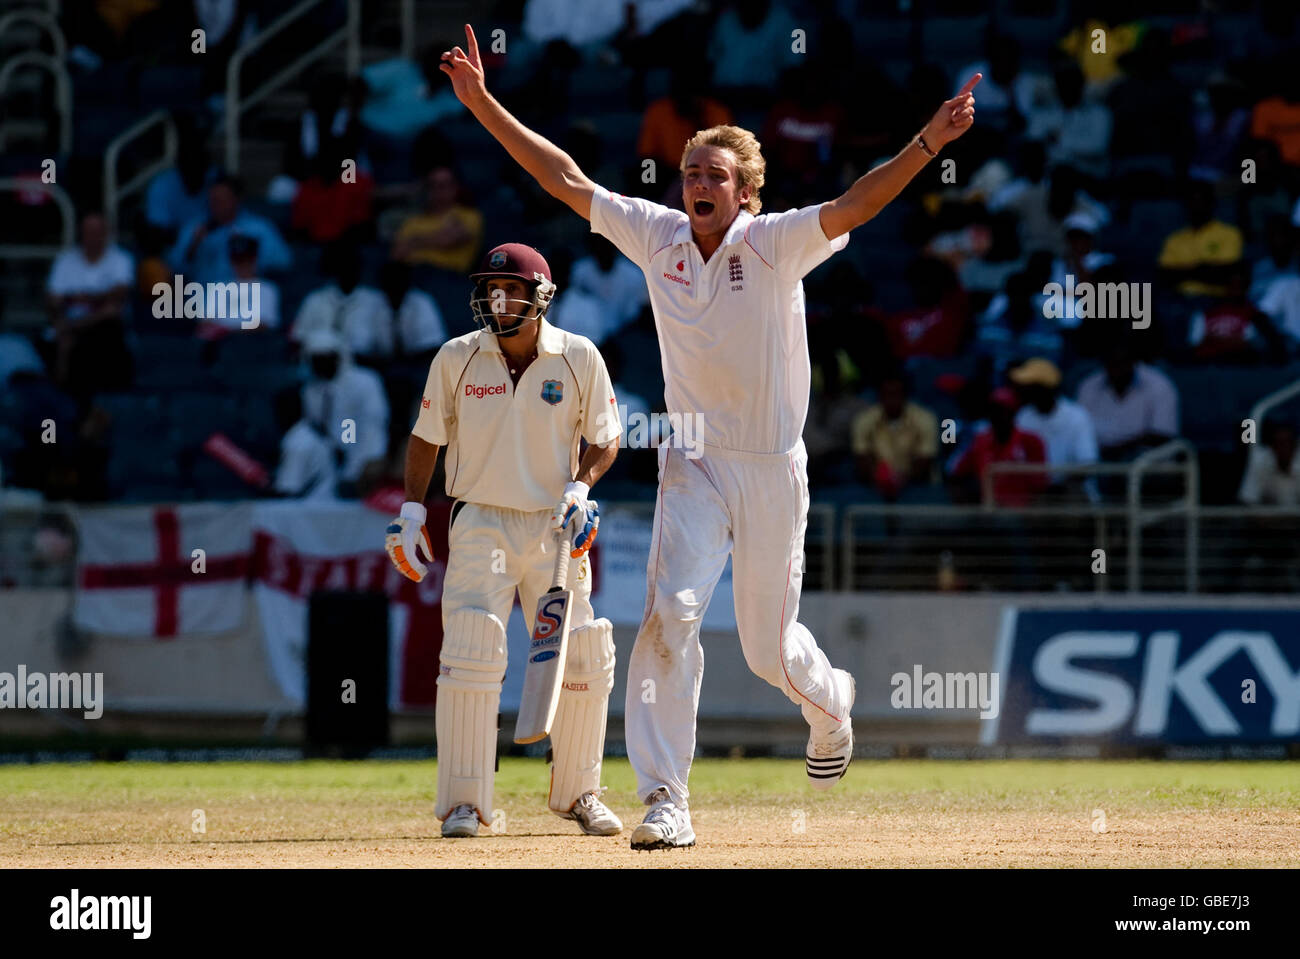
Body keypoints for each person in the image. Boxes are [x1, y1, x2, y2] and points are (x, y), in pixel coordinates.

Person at [438, 23, 979, 848]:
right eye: (690, 171)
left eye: (715, 175)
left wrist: (926, 143)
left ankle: (831, 704)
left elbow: (856, 203)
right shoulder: (656, 236)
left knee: (769, 650)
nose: (697, 183)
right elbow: (565, 178)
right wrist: (483, 104)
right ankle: (667, 799)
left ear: (745, 192)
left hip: (770, 465)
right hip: (690, 457)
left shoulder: (773, 243)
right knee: (670, 616)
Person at [385, 242, 623, 838]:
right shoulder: (456, 357)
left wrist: (580, 486)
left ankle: (580, 793)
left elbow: (605, 437)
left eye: (510, 288)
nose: (498, 298)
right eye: (491, 288)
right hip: (480, 519)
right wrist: (413, 509)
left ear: (540, 296)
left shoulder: (578, 356)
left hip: (553, 522)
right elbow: (426, 436)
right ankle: (467, 803)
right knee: (470, 650)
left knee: (583, 654)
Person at [45, 211, 134, 400]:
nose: (92, 237)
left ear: (106, 233)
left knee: (109, 321)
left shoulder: (120, 259)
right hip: (68, 325)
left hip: (102, 330)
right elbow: (53, 299)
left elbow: (118, 297)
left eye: (97, 231)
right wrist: (96, 298)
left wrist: (77, 298)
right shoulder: (65, 260)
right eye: (88, 231)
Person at [300, 329, 389, 494]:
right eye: (316, 359)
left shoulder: (365, 382)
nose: (321, 364)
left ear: (338, 357)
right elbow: (317, 429)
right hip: (331, 460)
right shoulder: (311, 391)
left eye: (325, 358)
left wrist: (355, 469)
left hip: (365, 458)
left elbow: (373, 427)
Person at [170, 175, 291, 284]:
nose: (216, 206)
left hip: (243, 297)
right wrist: (193, 246)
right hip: (202, 298)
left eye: (222, 200)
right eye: (213, 200)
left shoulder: (258, 228)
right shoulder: (194, 228)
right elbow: (174, 268)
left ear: (237, 199)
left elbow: (282, 262)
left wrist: (246, 251)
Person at [1009, 358, 1098, 496]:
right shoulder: (1023, 416)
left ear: (1043, 388)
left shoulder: (1077, 416)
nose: (1023, 389)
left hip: (1070, 491)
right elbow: (1017, 460)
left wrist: (1056, 488)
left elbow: (1086, 464)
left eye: (1029, 386)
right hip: (1033, 492)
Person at [1076, 340, 1179, 460]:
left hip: (1148, 465)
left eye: (1122, 362)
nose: (1117, 370)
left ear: (1134, 361)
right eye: (1112, 362)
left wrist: (1117, 450)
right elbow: (1078, 431)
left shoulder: (1160, 385)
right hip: (1099, 462)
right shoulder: (1088, 386)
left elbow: (1163, 435)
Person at [291, 241, 393, 362]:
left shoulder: (376, 301)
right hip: (319, 365)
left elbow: (385, 347)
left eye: (353, 265)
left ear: (360, 268)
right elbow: (298, 338)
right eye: (344, 266)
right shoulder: (315, 299)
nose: (348, 271)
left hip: (363, 365)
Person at [947, 387, 1048, 506]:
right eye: (994, 411)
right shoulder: (980, 440)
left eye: (1003, 411)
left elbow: (1041, 484)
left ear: (1013, 413)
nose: (998, 416)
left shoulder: (1030, 441)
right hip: (988, 512)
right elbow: (956, 474)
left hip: (1023, 513)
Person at [850, 371, 938, 498]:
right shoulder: (863, 420)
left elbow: (925, 461)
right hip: (875, 485)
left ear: (905, 395)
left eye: (896, 394)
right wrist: (882, 478)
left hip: (915, 485)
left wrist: (899, 479)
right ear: (880, 396)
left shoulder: (925, 419)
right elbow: (861, 458)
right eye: (887, 394)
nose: (892, 399)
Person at [390, 166, 484, 273]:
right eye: (432, 185)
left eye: (442, 185)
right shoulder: (413, 221)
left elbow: (449, 241)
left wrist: (414, 241)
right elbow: (396, 255)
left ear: (455, 187)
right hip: (412, 274)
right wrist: (439, 237)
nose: (437, 190)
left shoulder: (469, 216)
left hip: (448, 277)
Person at [1238, 421, 1300, 506]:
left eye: (1288, 443)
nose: (1284, 449)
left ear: (1295, 446)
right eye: (1280, 444)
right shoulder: (1260, 462)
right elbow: (1248, 502)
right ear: (1271, 447)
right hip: (1266, 519)